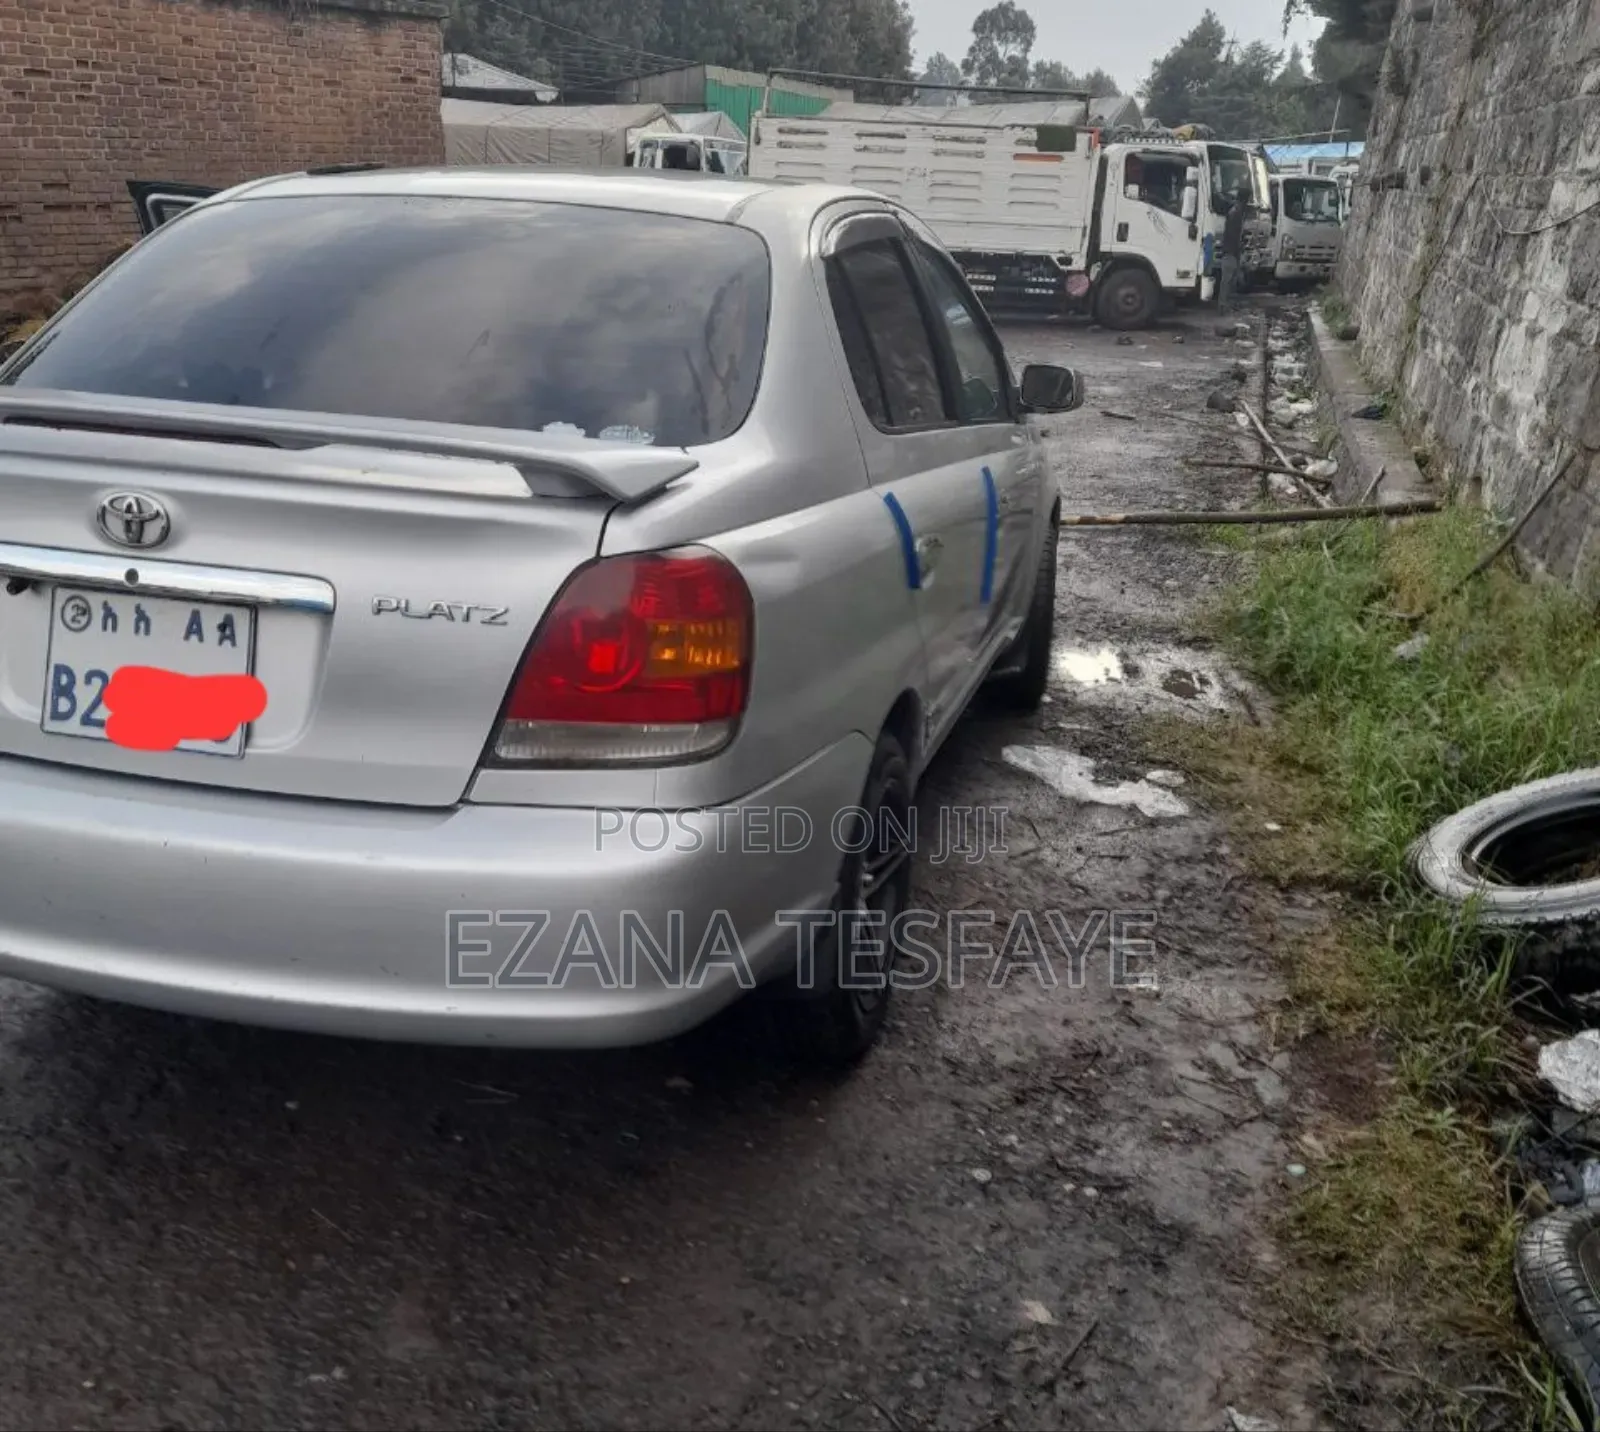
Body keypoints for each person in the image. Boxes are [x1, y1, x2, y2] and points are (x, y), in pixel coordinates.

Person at [1219, 184, 1249, 317]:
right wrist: (1238, 252)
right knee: (1227, 280)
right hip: (1230, 251)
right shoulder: (1235, 213)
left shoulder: (1235, 211)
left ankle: (1226, 305)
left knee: (1230, 280)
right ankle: (1223, 306)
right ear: (1245, 200)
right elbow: (1233, 236)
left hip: (1231, 251)